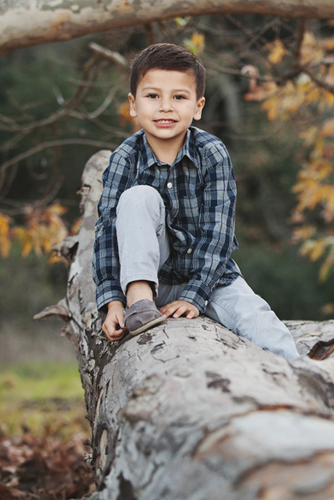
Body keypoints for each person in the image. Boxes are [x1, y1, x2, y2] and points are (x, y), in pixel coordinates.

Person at [92, 43, 299, 360]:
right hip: (149, 278)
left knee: (263, 324)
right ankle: (139, 301)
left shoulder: (212, 153)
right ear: (133, 104)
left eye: (179, 97)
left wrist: (194, 296)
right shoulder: (125, 157)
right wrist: (112, 301)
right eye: (153, 96)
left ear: (198, 106)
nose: (165, 107)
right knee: (138, 197)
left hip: (209, 278)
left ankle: (301, 386)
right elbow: (107, 231)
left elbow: (219, 235)